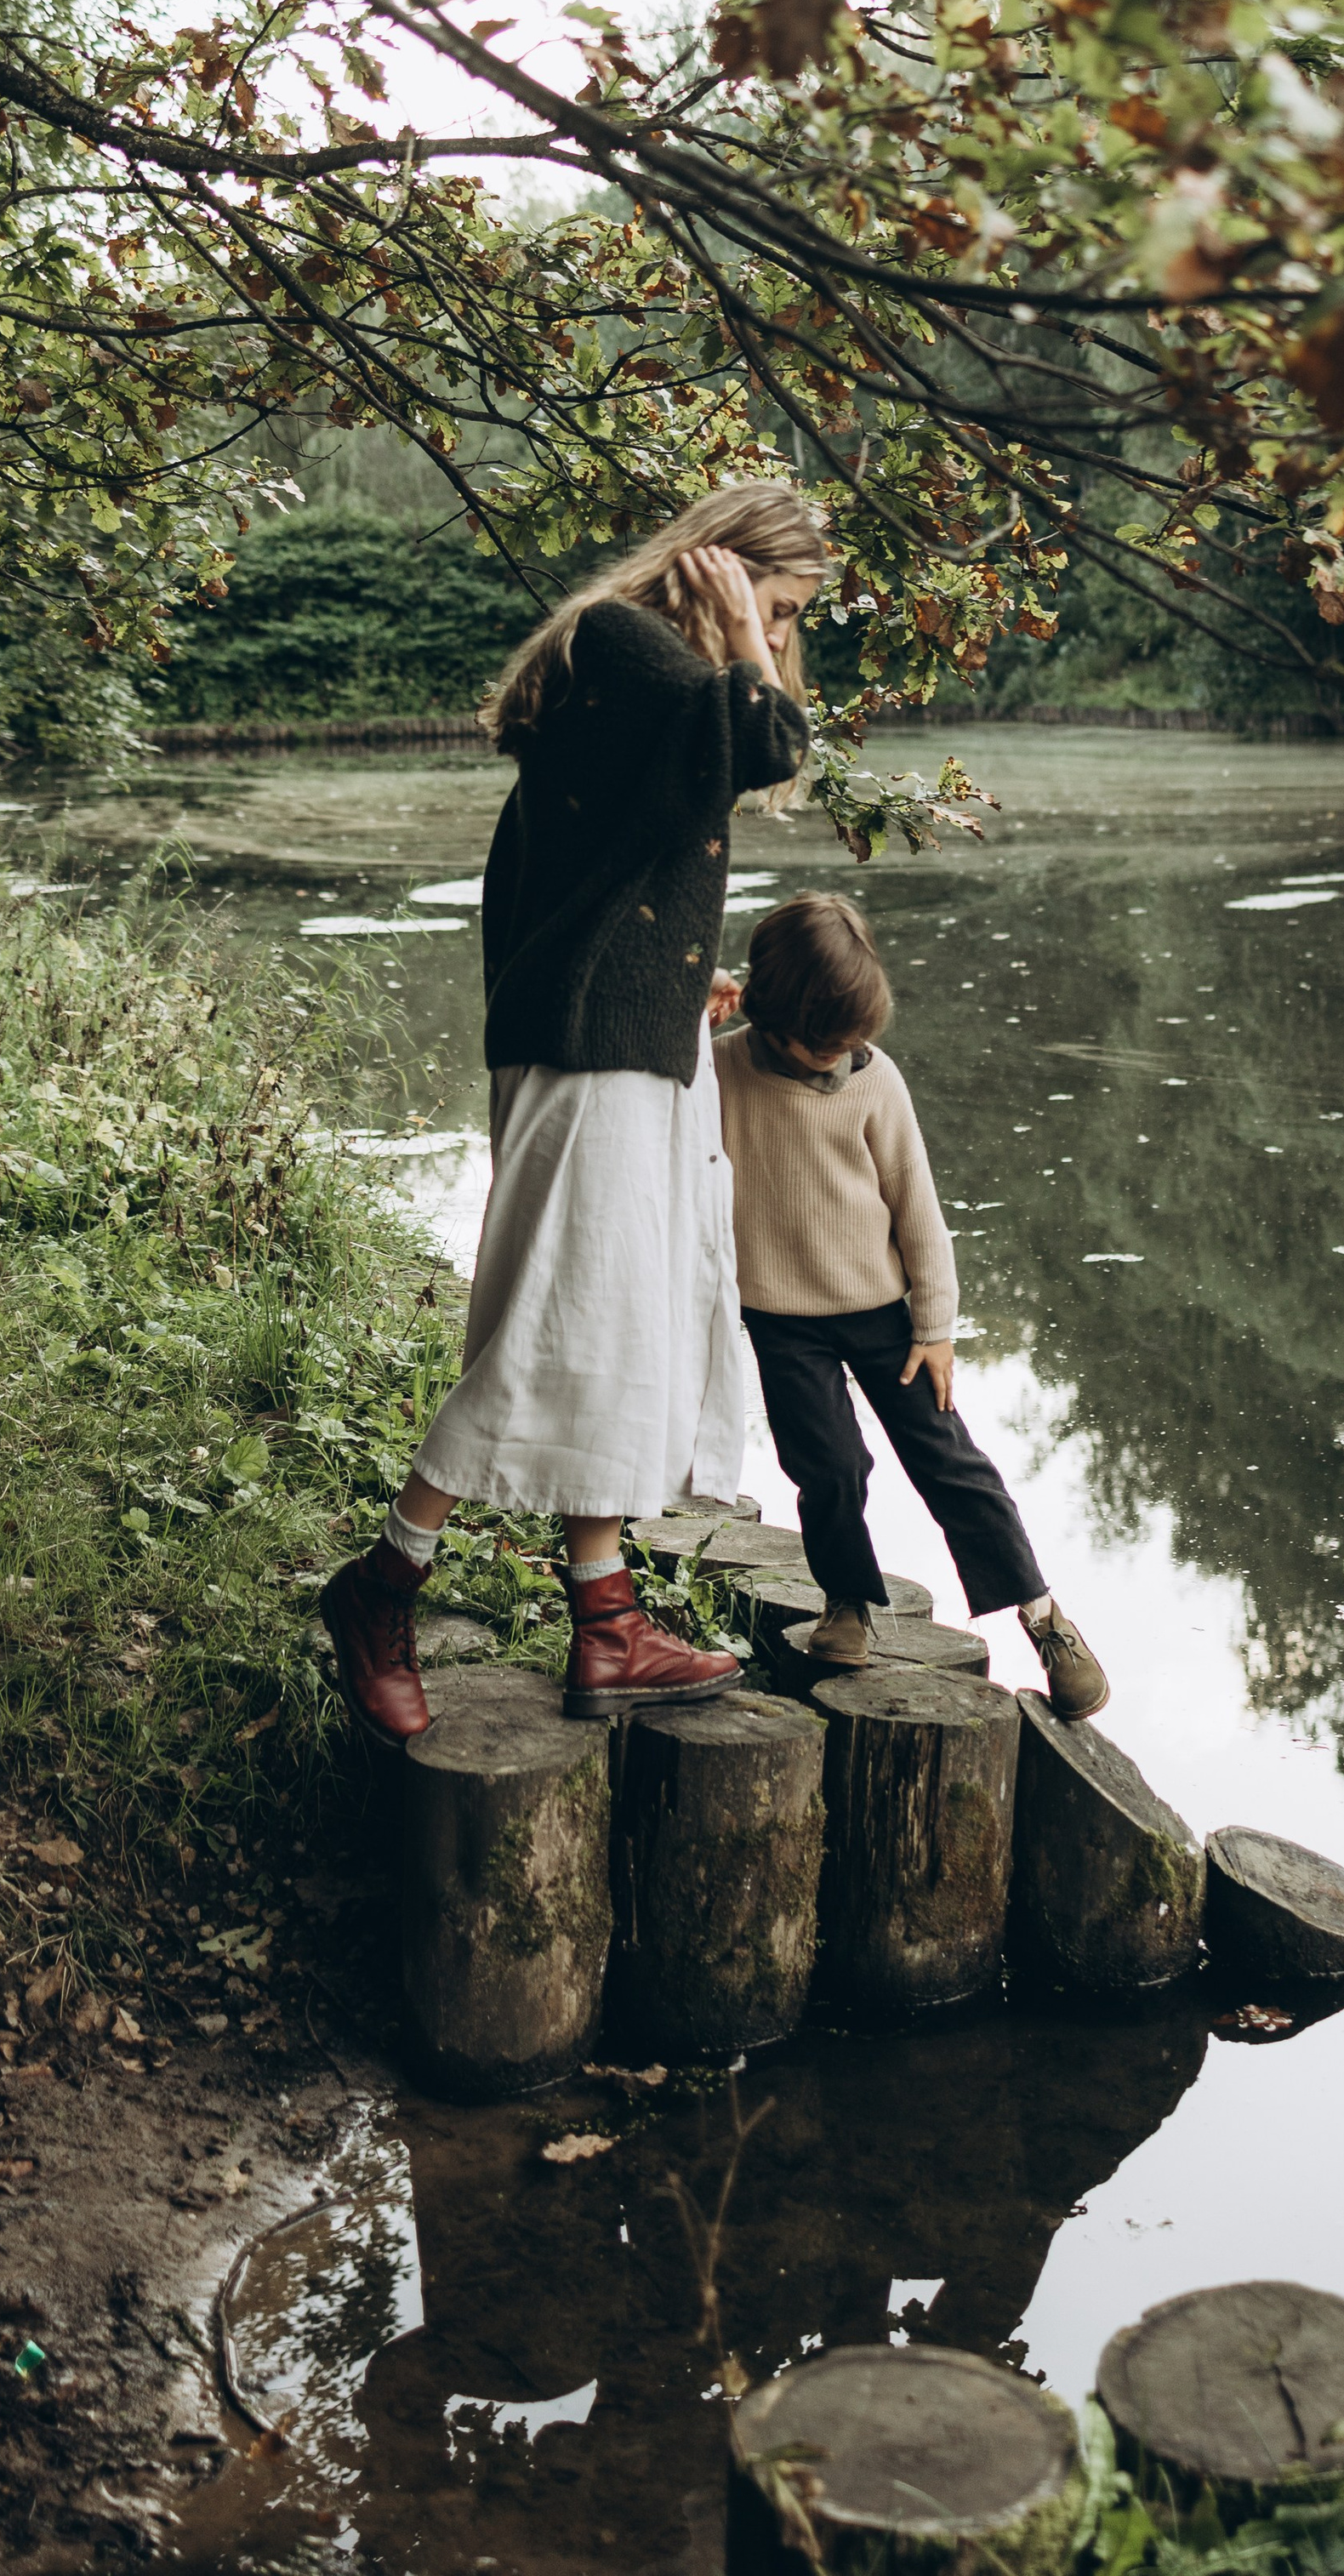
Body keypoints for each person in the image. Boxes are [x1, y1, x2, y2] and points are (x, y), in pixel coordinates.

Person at [321, 482, 824, 1745]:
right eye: (775, 605)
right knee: (548, 1322)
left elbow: (614, 863)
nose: (778, 633)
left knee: (613, 1322)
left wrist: (668, 985)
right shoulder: (629, 646)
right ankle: (382, 1587)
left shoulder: (641, 670)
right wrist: (748, 645)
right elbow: (769, 744)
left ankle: (606, 1622)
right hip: (587, 1053)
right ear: (716, 574)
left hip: (623, 1040)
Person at [715, 889, 1110, 1719]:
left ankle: (1043, 1618)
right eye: (820, 1042)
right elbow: (655, 1093)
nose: (835, 1056)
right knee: (826, 1469)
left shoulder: (875, 1082)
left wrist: (935, 1327)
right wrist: (693, 1014)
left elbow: (918, 1212)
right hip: (781, 1320)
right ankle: (846, 1603)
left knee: (948, 1462)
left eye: (850, 1041)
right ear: (765, 1012)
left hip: (886, 1317)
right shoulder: (719, 1069)